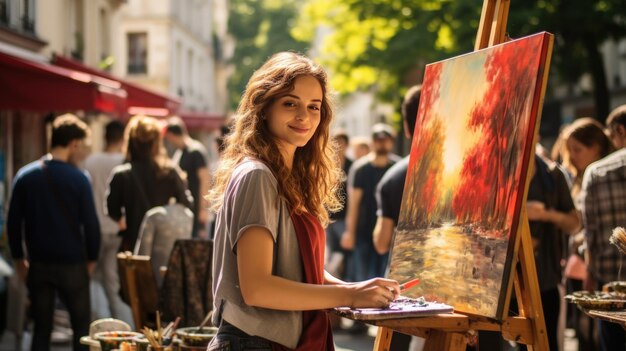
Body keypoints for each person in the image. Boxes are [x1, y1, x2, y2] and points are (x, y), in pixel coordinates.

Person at [207, 52, 400, 351]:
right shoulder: (257, 175)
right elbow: (258, 288)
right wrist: (349, 296)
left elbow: (295, 270)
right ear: (264, 107)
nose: (304, 116)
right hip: (255, 343)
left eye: (314, 107)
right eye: (290, 103)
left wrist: (358, 288)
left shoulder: (285, 176)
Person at [7, 114, 100, 351]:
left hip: (38, 265)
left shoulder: (25, 176)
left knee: (41, 329)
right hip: (73, 264)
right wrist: (91, 261)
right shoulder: (79, 179)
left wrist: (19, 261)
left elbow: (13, 223)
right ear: (74, 144)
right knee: (81, 329)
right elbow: (91, 225)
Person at [372, 85, 421, 351]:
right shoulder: (470, 170)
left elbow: (381, 243)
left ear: (406, 126)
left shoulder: (393, 178)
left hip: (407, 290)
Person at [107, 115, 193, 253]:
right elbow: (186, 203)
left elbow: (112, 210)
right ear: (157, 142)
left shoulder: (121, 174)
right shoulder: (169, 171)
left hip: (132, 245)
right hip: (164, 245)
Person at [561, 117, 611, 350]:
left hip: (599, 268)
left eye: (577, 149)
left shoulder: (602, 177)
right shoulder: (579, 178)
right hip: (581, 266)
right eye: (569, 150)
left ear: (597, 147)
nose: (572, 156)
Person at [523, 154, 580, 351]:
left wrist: (544, 214)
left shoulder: (553, 174)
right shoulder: (499, 170)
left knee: (548, 345)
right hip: (511, 283)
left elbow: (574, 224)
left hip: (545, 280)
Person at [582, 104, 626, 351]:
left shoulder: (597, 172)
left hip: (611, 286)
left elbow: (591, 232)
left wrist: (590, 274)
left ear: (620, 131)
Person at [84, 120, 133, 324]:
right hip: (116, 229)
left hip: (94, 229)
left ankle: (100, 324)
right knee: (113, 283)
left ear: (103, 137)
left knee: (92, 280)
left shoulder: (90, 161)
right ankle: (123, 328)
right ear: (122, 138)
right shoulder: (124, 162)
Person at [341, 123, 399, 281]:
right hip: (364, 232)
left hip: (390, 233)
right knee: (364, 280)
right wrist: (350, 232)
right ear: (373, 142)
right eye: (379, 140)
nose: (382, 143)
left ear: (391, 142)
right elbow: (353, 204)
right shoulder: (360, 169)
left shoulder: (396, 167)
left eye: (386, 139)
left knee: (388, 279)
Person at [164, 117, 210, 238]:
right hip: (184, 209)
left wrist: (203, 209)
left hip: (195, 209)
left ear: (171, 135)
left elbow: (205, 179)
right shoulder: (179, 153)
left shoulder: (196, 151)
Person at [134, 197, 193, 287]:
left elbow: (142, 256)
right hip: (179, 283)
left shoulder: (154, 215)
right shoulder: (188, 215)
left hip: (155, 283)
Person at [325, 130, 352, 279]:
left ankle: (346, 279)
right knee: (333, 252)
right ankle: (337, 279)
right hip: (330, 217)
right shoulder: (327, 166)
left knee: (346, 251)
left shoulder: (352, 165)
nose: (340, 146)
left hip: (345, 217)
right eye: (337, 142)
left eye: (342, 142)